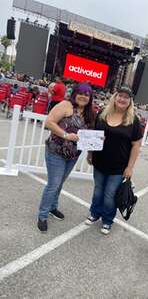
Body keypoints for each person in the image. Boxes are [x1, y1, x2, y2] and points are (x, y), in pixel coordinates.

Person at [37, 82, 95, 232]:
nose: (83, 97)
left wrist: (95, 145)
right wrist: (65, 135)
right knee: (53, 184)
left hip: (73, 155)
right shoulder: (65, 105)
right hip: (55, 151)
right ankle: (42, 215)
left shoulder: (89, 113)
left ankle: (52, 207)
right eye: (81, 93)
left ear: (90, 98)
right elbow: (49, 122)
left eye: (87, 94)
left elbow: (90, 136)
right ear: (75, 93)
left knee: (60, 182)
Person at [85, 86, 143, 235]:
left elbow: (136, 146)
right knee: (98, 191)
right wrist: (90, 154)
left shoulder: (133, 121)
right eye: (120, 96)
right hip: (100, 161)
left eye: (126, 97)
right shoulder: (103, 114)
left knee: (110, 195)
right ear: (115, 97)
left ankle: (107, 220)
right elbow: (94, 136)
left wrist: (130, 167)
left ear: (130, 101)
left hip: (118, 166)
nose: (122, 99)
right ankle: (94, 212)